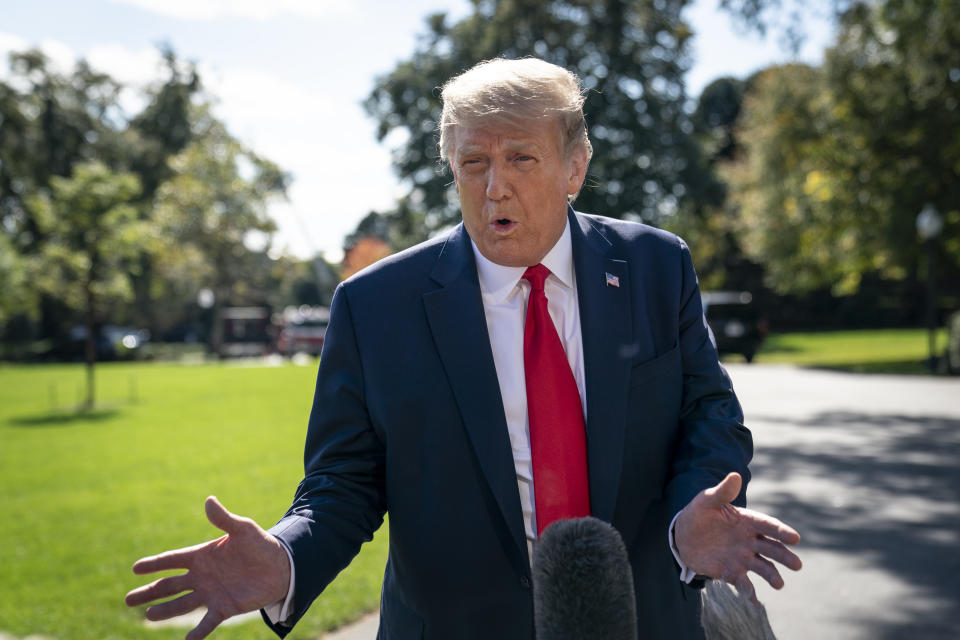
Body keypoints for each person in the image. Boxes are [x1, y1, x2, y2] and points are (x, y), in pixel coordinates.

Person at [125, 57, 801, 640]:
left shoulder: (656, 266)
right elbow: (344, 482)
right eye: (473, 162)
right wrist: (287, 558)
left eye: (521, 159)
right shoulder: (374, 306)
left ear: (575, 167)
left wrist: (691, 517)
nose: (493, 186)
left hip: (639, 619)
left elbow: (707, 416)